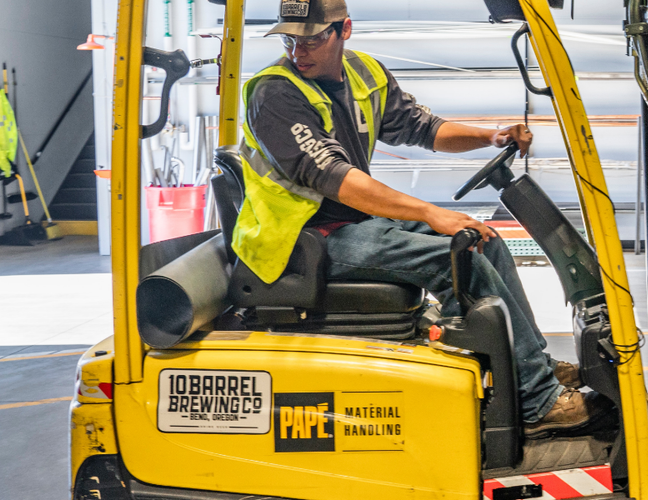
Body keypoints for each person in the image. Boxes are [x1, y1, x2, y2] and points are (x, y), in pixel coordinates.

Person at [235, 0, 596, 435]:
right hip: (301, 240)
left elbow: (423, 128)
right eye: (291, 40)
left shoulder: (363, 73)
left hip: (351, 223)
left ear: (344, 30)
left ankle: (532, 364)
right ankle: (536, 401)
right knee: (461, 258)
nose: (299, 51)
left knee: (485, 241)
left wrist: (490, 136)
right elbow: (338, 180)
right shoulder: (274, 93)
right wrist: (433, 213)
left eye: (312, 38)